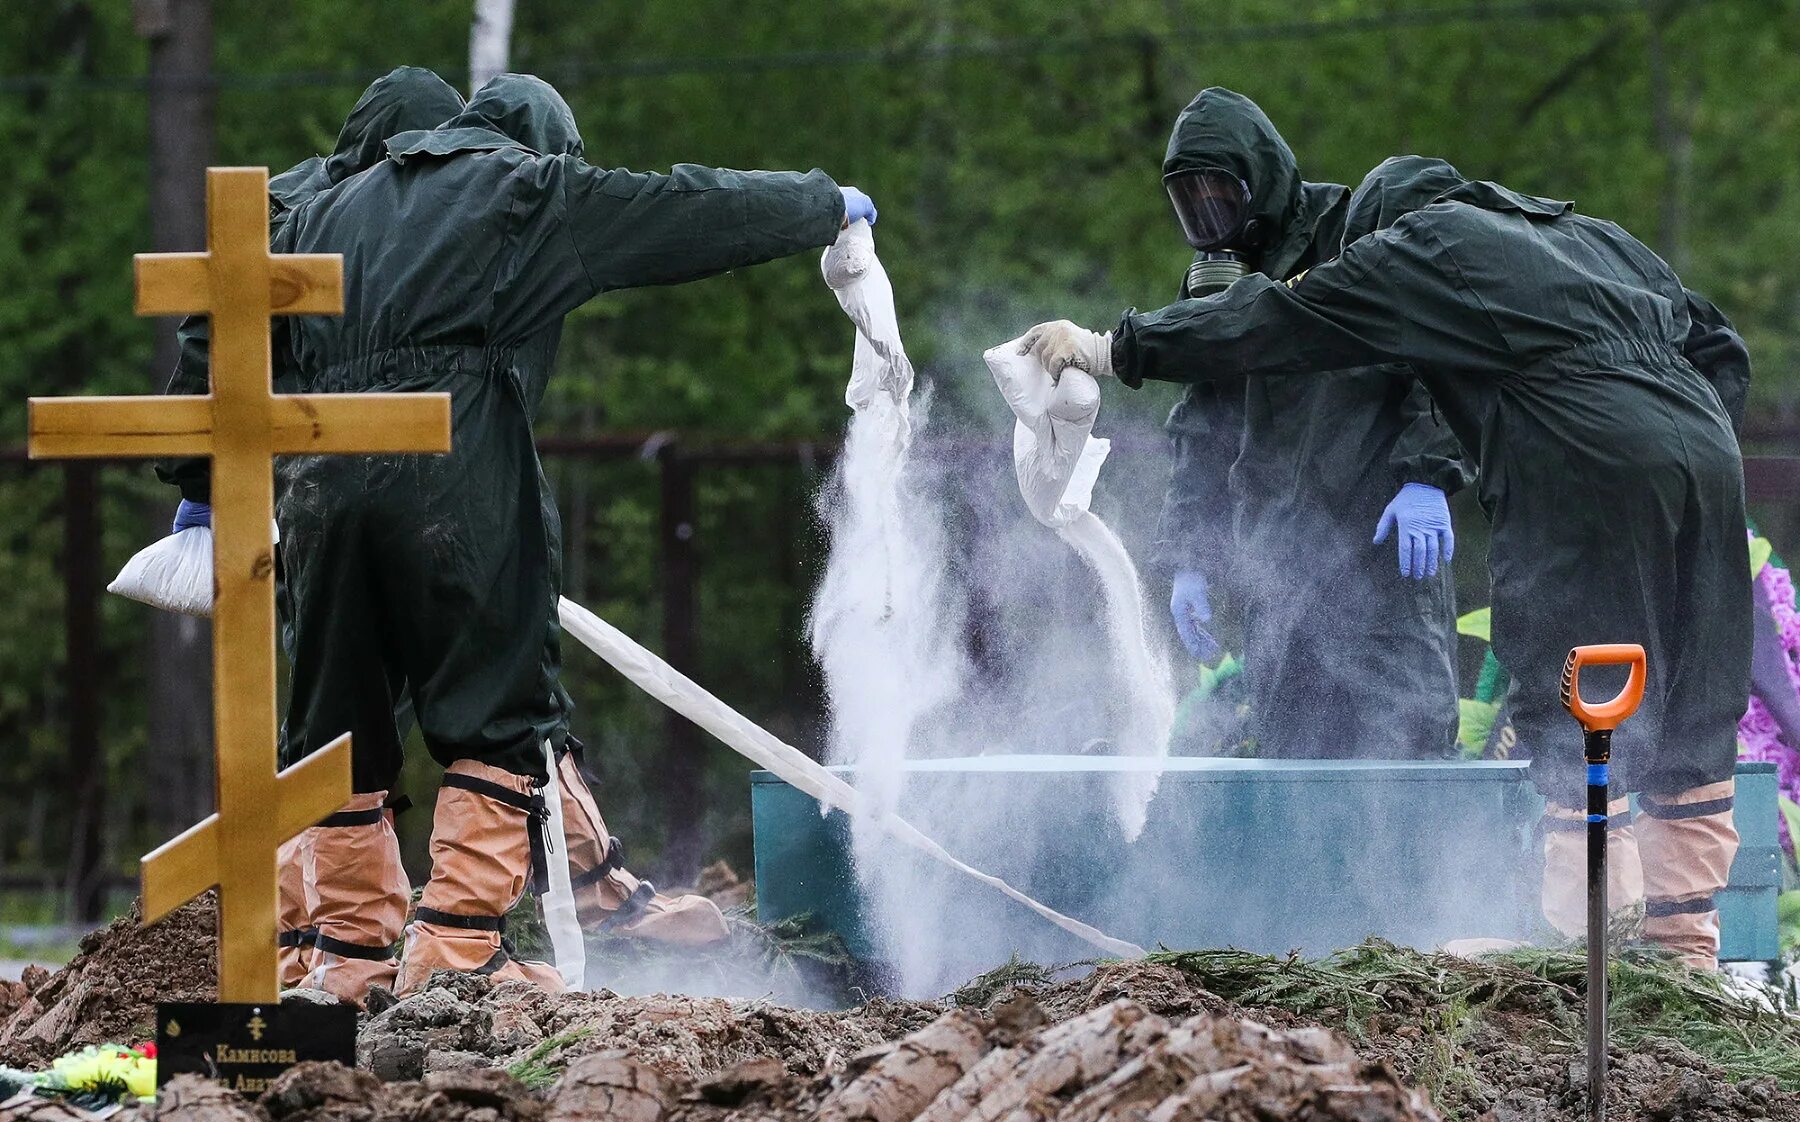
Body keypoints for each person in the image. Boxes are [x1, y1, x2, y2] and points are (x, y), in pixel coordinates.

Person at [1021, 156, 1750, 970]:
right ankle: (1685, 955)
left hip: (1583, 460)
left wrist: (1113, 346)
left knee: (1579, 693)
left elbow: (1276, 318)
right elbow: (1720, 344)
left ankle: (1591, 954)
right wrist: (1670, 451)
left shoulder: (1424, 243)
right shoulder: (1593, 237)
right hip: (1708, 455)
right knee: (1692, 700)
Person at [274, 73, 873, 998]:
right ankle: (456, 949)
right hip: (449, 468)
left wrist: (201, 491)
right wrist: (821, 203)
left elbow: (217, 319)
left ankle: (341, 960)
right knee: (497, 709)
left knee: (337, 727)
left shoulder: (327, 205)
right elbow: (686, 209)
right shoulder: (523, 190)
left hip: (317, 480)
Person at [151, 67, 467, 991]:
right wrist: (205, 484)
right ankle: (314, 931)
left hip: (356, 483)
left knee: (348, 707)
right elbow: (215, 337)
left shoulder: (348, 201)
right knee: (332, 708)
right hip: (308, 485)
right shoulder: (306, 210)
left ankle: (322, 927)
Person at [1149, 90, 1468, 759]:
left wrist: (1428, 473)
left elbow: (1444, 353)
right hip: (1279, 583)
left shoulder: (1357, 233)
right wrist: (1191, 557)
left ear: (1259, 180)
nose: (1209, 219)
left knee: (1406, 768)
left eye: (1220, 198)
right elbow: (1200, 429)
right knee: (1293, 782)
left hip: (1382, 565)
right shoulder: (1215, 287)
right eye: (1191, 204)